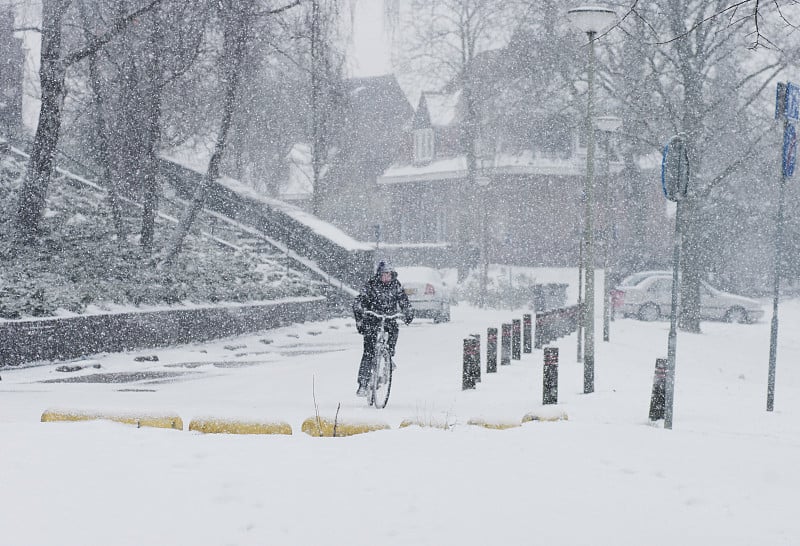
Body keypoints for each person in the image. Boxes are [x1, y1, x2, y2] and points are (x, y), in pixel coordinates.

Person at [352, 260, 414, 396]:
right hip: (372, 319)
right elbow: (360, 300)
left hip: (389, 318)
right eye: (384, 274)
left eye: (389, 274)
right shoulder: (371, 285)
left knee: (393, 331)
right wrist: (360, 312)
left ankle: (388, 356)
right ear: (379, 275)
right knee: (368, 351)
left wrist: (408, 312)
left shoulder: (396, 285)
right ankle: (363, 384)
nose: (386, 277)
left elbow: (404, 301)